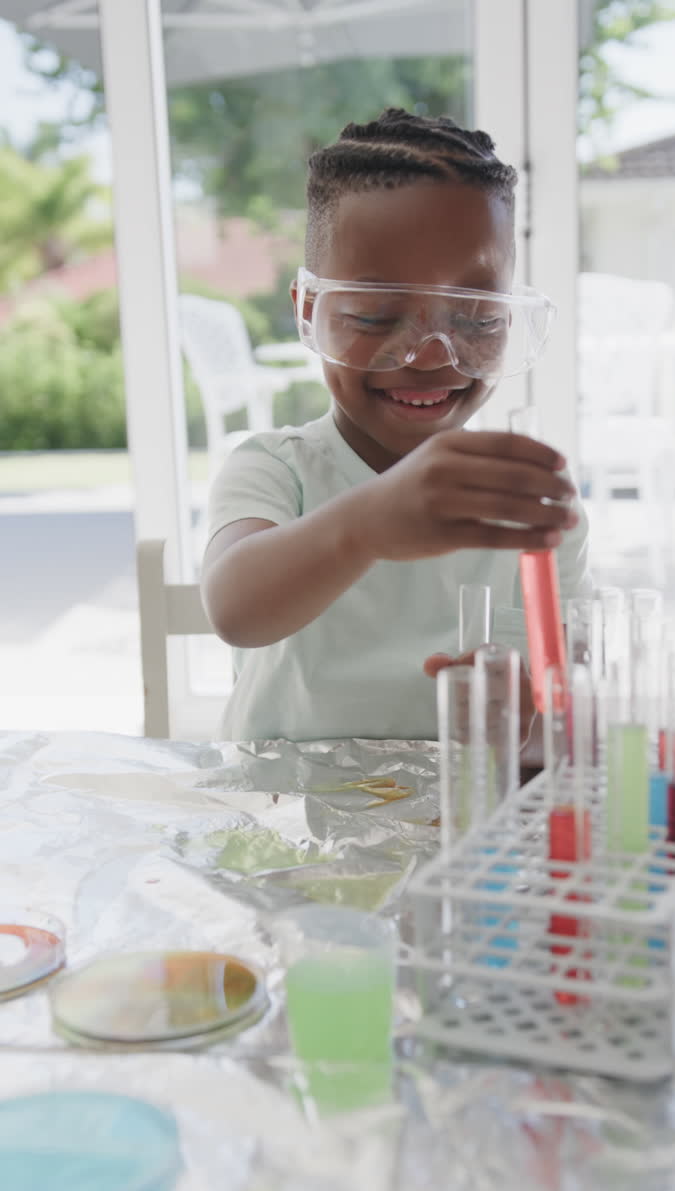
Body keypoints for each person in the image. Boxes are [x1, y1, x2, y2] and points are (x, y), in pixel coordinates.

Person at [201, 108, 590, 743]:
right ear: (310, 311)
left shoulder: (530, 495)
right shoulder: (276, 468)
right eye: (377, 315)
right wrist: (368, 524)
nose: (432, 354)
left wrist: (539, 704)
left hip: (462, 820)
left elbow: (569, 683)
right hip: (284, 822)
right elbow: (235, 610)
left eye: (477, 319)